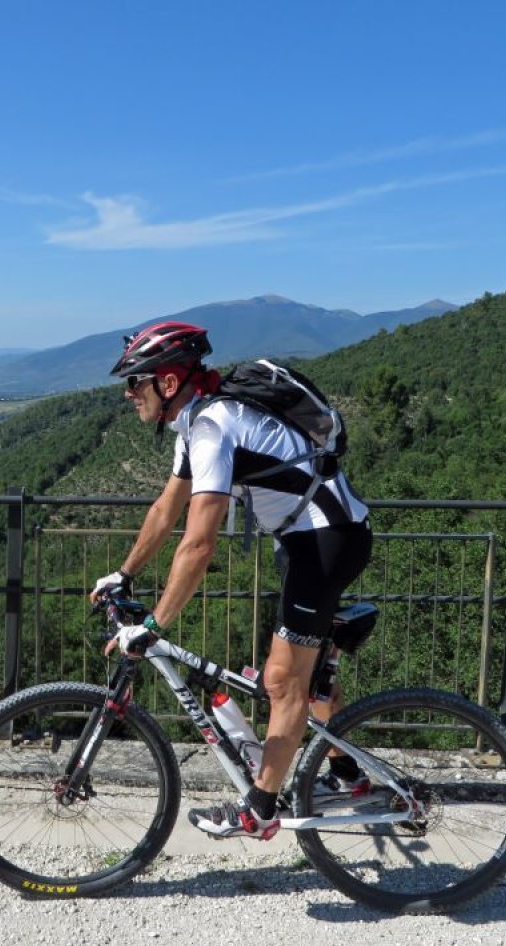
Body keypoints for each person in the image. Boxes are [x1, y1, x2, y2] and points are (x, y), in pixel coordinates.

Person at [90, 321, 372, 839]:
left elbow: (198, 543)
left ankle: (261, 810)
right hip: (306, 539)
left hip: (326, 540)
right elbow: (164, 511)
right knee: (303, 678)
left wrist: (154, 624)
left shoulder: (213, 428)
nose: (129, 394)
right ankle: (350, 776)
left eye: (136, 382)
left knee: (282, 681)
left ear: (168, 384)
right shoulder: (196, 423)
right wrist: (123, 573)